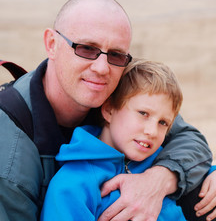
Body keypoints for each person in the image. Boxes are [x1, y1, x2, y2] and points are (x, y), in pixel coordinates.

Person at [0, 0, 216, 221]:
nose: (101, 68)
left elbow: (188, 139)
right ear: (52, 44)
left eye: (116, 54)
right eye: (86, 48)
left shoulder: (114, 94)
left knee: (197, 188)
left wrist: (160, 180)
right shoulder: (2, 156)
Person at [41, 59, 187, 220]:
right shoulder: (71, 186)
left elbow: (193, 167)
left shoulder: (160, 161)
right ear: (109, 110)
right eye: (143, 113)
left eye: (163, 123)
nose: (152, 131)